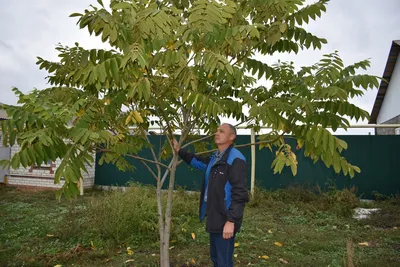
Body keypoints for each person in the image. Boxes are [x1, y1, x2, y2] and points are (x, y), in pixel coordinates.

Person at [173, 123, 249, 267]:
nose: (217, 133)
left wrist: (231, 221)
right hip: (213, 215)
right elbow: (197, 162)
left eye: (221, 131)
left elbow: (240, 193)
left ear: (232, 137)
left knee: (223, 261)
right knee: (215, 258)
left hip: (225, 218)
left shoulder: (235, 159)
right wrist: (179, 151)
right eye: (216, 131)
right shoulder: (215, 158)